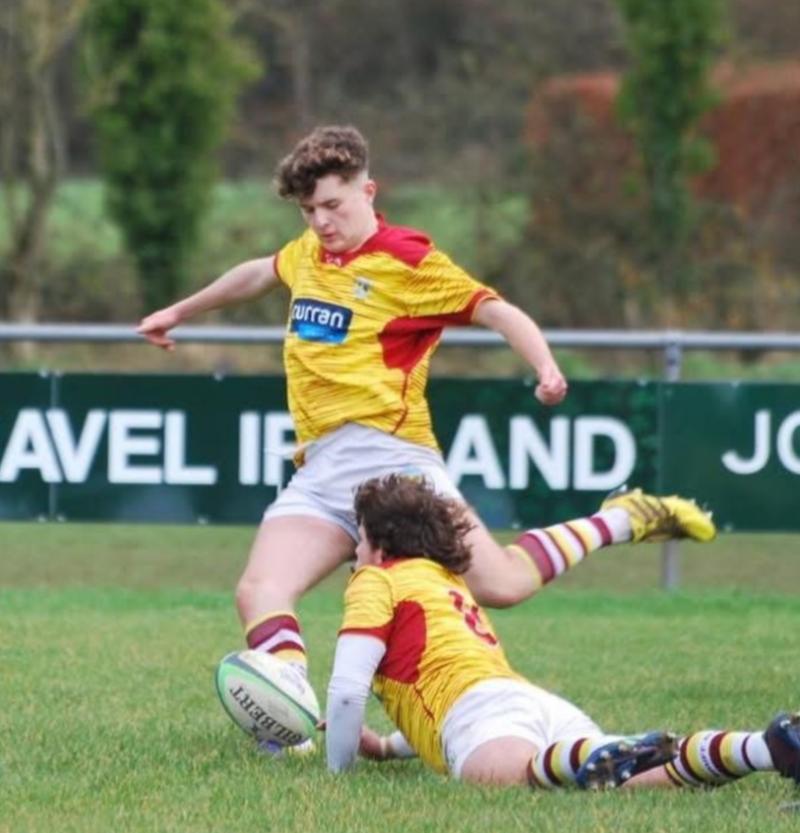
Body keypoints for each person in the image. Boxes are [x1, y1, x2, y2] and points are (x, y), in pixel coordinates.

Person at [137, 125, 712, 726]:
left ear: (368, 191)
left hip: (394, 466)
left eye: (332, 205)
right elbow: (259, 272)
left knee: (503, 586)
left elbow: (496, 310)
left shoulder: (408, 260)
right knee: (259, 591)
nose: (321, 221)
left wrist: (544, 366)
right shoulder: (311, 252)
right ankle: (293, 716)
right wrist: (179, 311)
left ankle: (621, 518)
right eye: (308, 211)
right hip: (321, 468)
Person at [325, 474, 800, 790]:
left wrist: (338, 775)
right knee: (634, 781)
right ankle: (764, 746)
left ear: (381, 547)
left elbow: (347, 690)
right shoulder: (444, 581)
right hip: (529, 705)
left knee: (509, 778)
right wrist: (385, 747)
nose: (354, 553)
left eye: (359, 540)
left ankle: (597, 757)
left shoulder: (376, 579)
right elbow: (433, 695)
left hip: (481, 716)